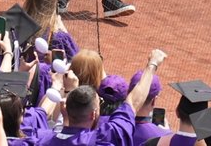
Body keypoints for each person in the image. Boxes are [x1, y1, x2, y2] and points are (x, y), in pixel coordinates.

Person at [39, 48, 167, 146]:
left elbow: (38, 116)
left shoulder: (41, 138)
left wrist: (57, 86)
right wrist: (152, 64)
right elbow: (133, 102)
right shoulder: (104, 137)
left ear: (64, 109)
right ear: (93, 115)